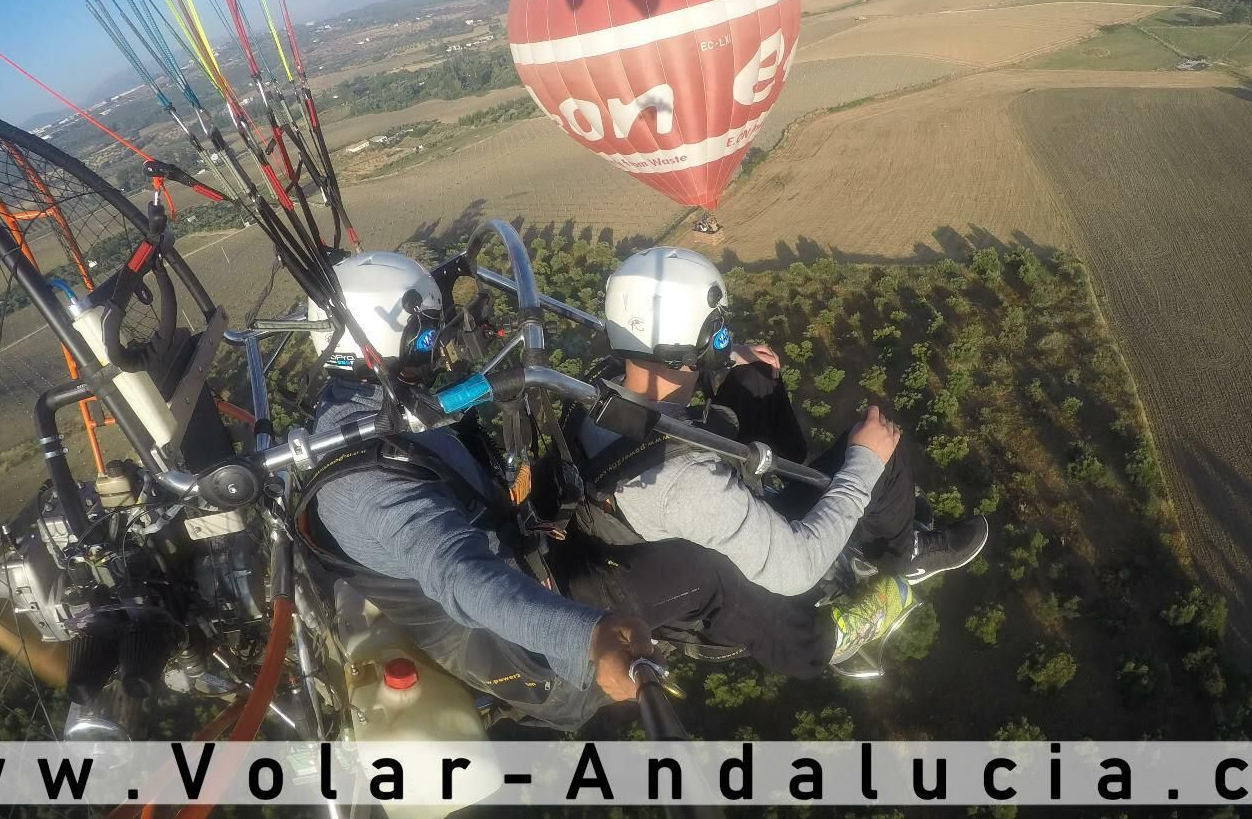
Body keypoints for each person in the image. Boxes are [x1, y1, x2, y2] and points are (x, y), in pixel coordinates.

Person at [561, 246, 988, 673]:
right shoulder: (685, 485)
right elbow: (797, 568)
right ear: (692, 345)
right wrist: (864, 463)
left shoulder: (596, 386)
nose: (724, 336)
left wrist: (727, 356)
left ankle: (799, 480)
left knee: (755, 376)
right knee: (881, 456)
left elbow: (661, 362)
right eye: (718, 330)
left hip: (654, 496)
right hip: (744, 541)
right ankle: (903, 555)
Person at [295, 251, 652, 730]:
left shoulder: (363, 399)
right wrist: (588, 638)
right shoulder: (374, 487)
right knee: (679, 596)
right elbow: (463, 578)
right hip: (499, 628)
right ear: (381, 342)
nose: (436, 344)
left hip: (500, 538)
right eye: (427, 335)